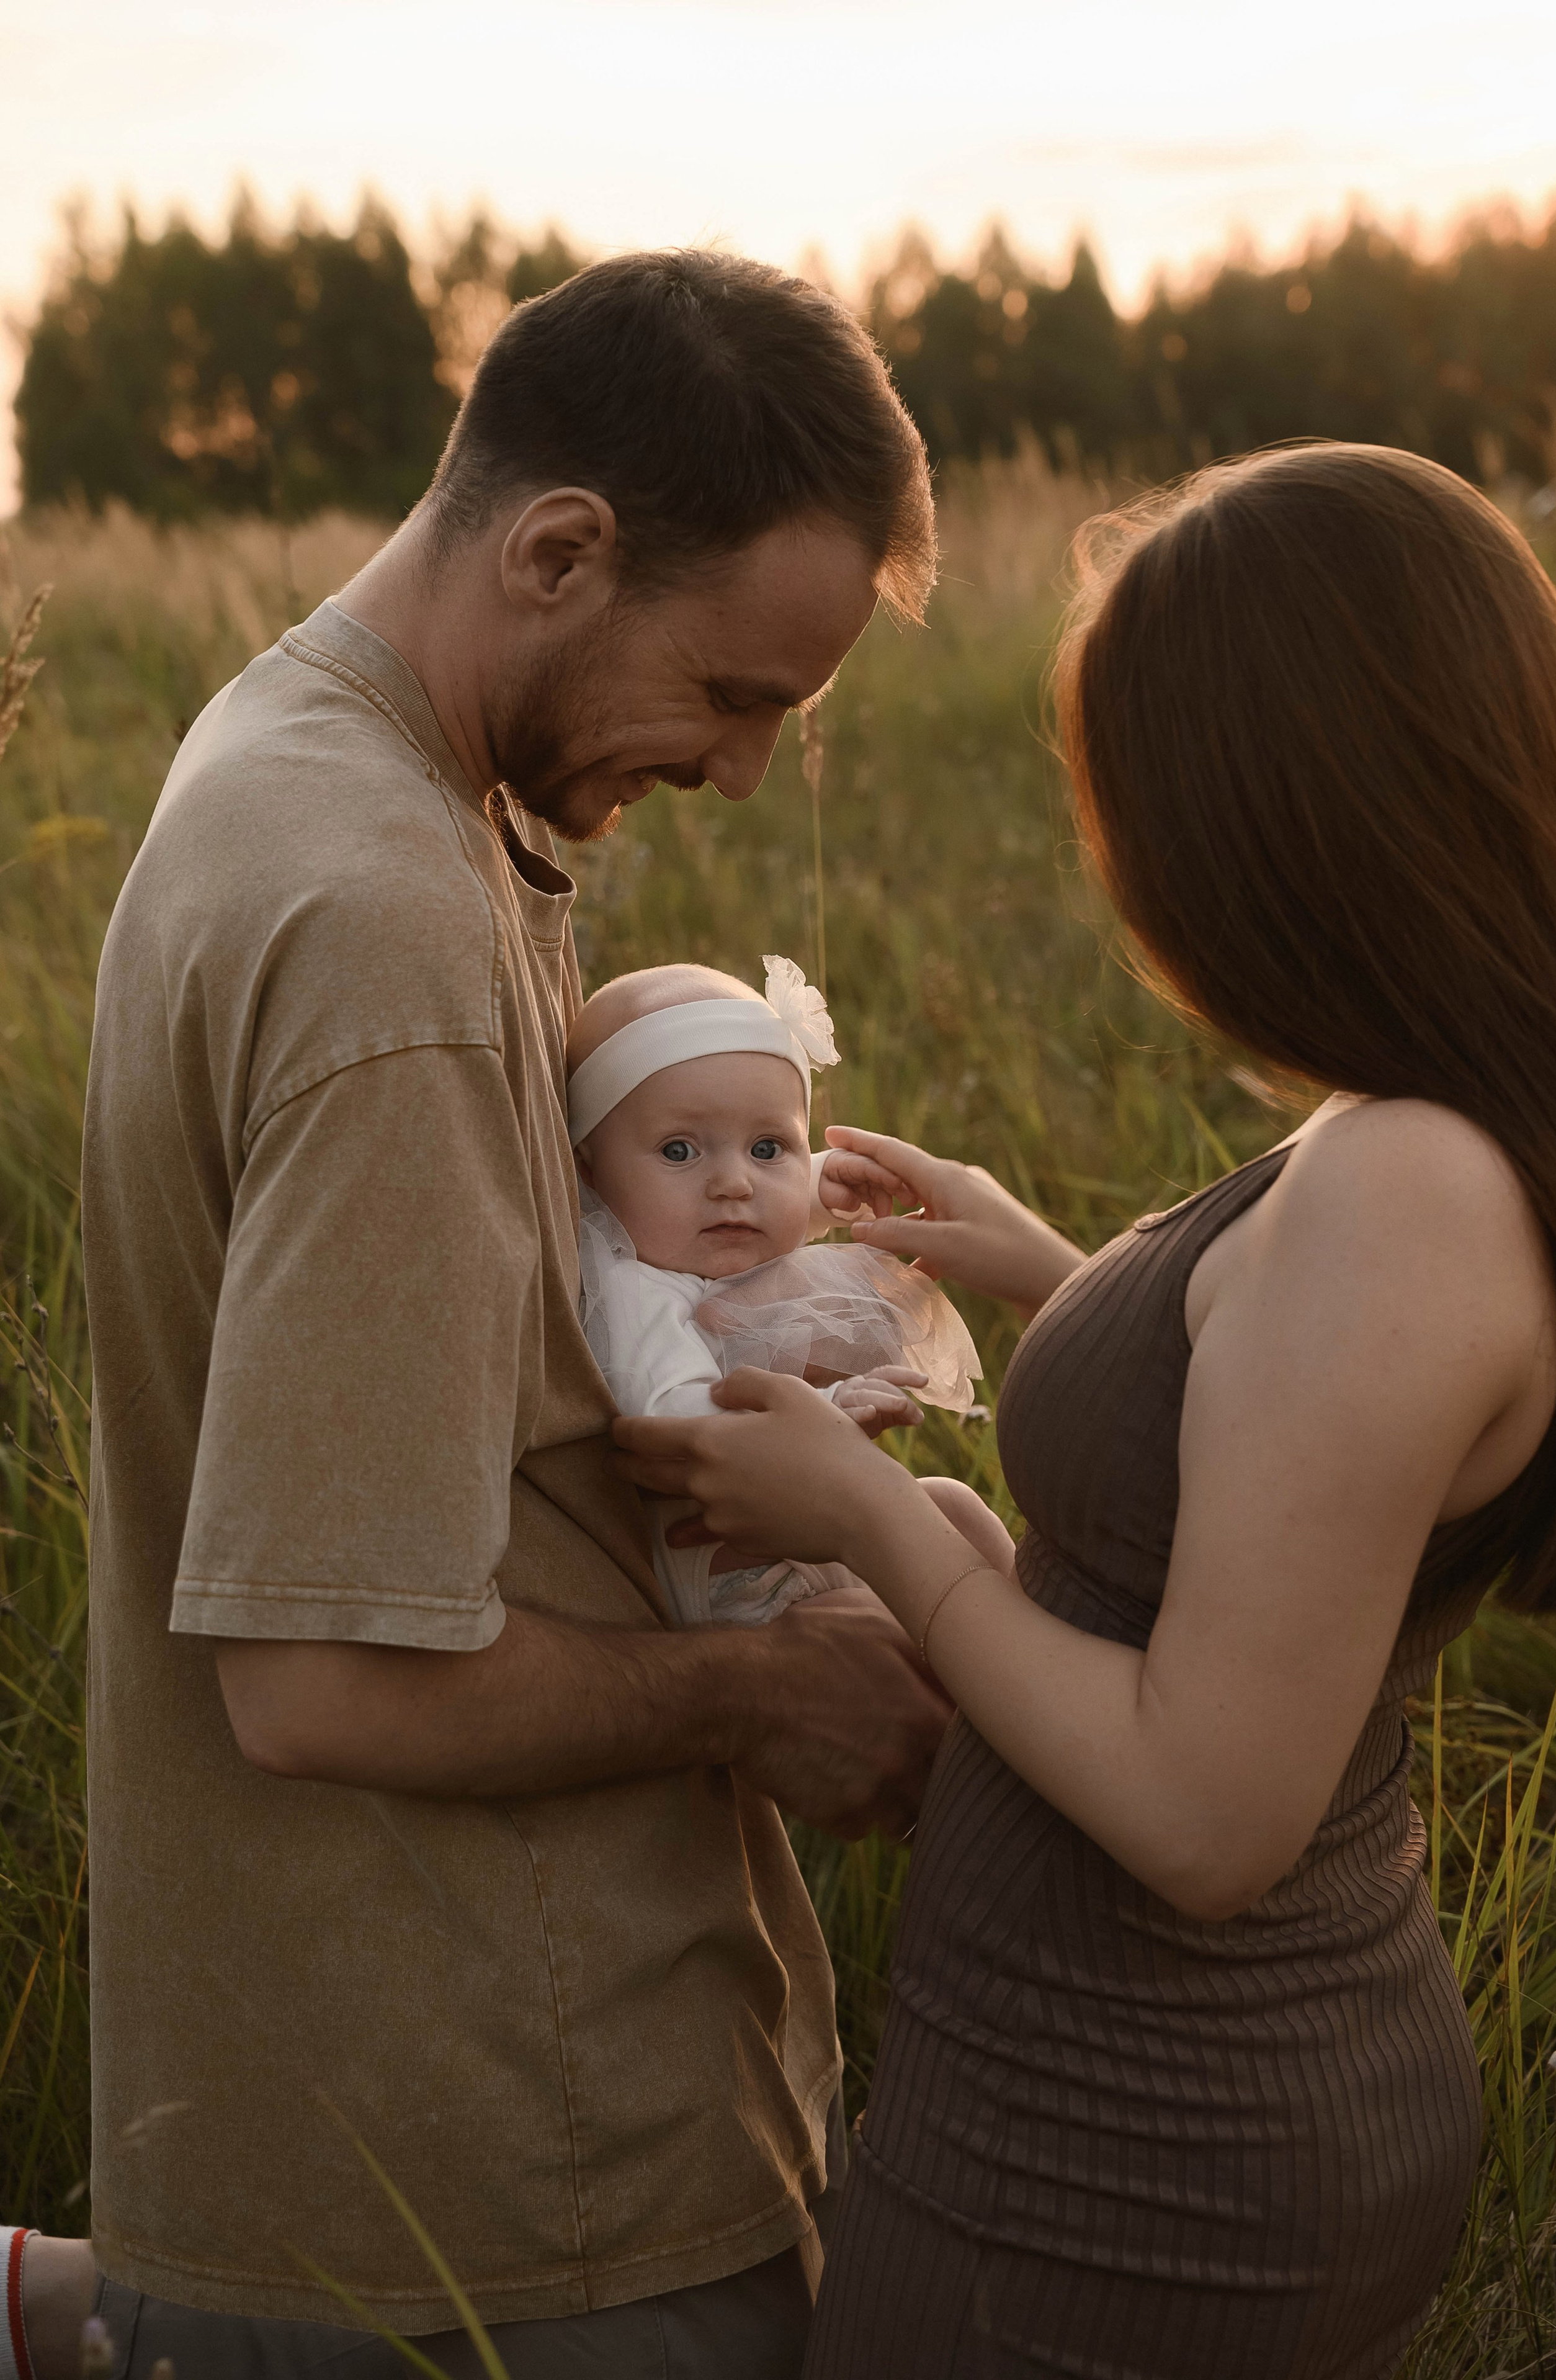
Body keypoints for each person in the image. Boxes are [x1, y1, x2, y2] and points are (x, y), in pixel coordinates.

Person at [14, 251, 955, 2380]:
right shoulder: (385, 919)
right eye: (733, 698)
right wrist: (765, 1695)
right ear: (557, 548)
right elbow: (326, 1679)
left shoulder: (287, 751)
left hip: (383, 2148)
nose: (732, 774)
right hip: (501, 2207)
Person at [612, 443, 1556, 2380]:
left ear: (1274, 813)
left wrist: (869, 1517)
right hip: (1149, 2112)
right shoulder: (1416, 1137)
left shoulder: (1402, 1186)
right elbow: (1298, 1460)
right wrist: (1072, 1282)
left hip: (1136, 2161)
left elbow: (1203, 1811)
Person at [568, 954, 1006, 1624]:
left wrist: (821, 1189)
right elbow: (681, 1426)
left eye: (769, 1148)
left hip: (796, 1532)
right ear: (589, 1173)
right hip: (739, 1582)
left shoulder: (691, 1233)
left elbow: (746, 1222)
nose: (736, 1185)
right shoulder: (633, 1293)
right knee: (879, 1627)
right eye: (680, 1151)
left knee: (951, 1505)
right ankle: (1001, 1694)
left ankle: (1046, 1636)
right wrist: (825, 1413)